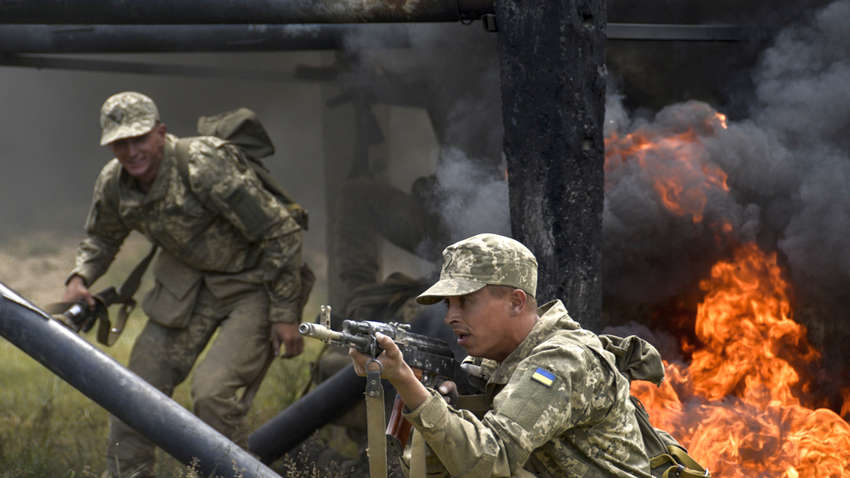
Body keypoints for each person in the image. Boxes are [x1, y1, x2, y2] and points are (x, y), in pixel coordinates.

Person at [62, 91, 305, 478]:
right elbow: (102, 238)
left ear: (160, 133)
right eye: (121, 144)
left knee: (212, 393)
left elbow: (281, 233)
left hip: (252, 286)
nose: (132, 152)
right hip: (187, 288)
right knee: (133, 390)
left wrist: (285, 313)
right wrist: (80, 277)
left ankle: (233, 473)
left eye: (139, 139)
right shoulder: (114, 183)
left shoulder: (203, 164)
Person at [350, 233, 653, 477]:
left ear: (516, 302)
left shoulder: (562, 361)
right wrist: (440, 407)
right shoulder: (486, 365)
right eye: (448, 305)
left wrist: (408, 383)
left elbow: (490, 462)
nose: (450, 317)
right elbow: (435, 470)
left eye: (466, 301)